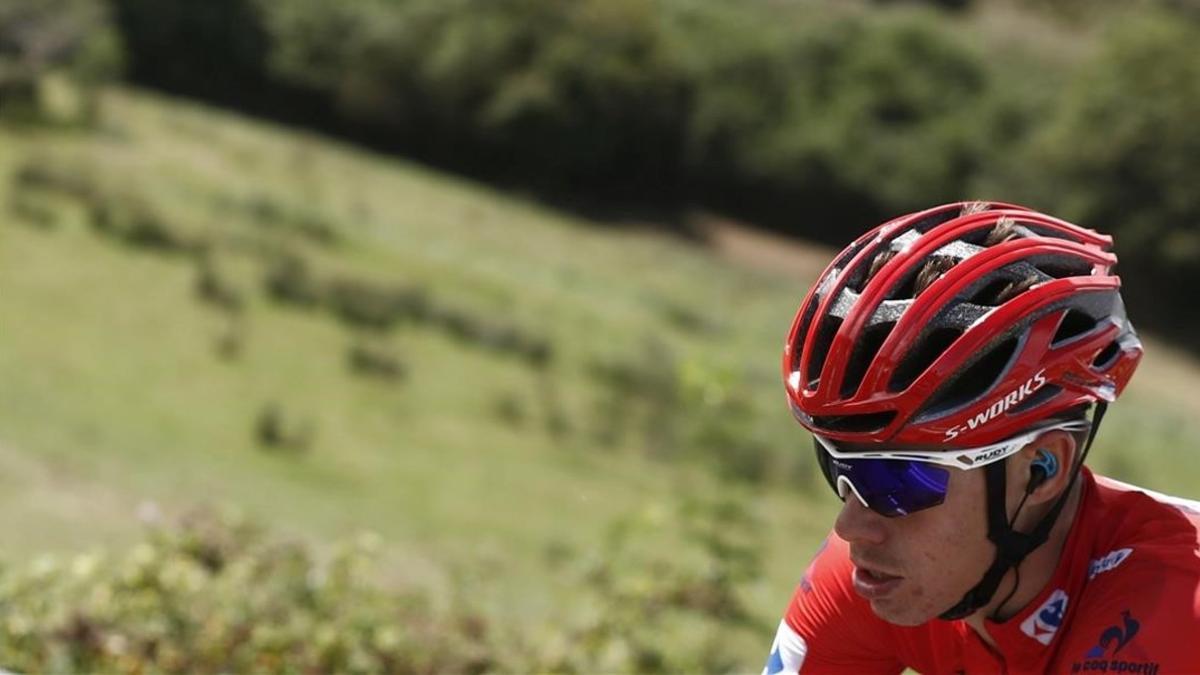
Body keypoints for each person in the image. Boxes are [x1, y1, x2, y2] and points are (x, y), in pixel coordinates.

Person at [764, 202, 1200, 674]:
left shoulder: (1172, 603)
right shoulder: (885, 573)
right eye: (839, 467)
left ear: (1040, 469)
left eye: (900, 480)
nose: (851, 526)